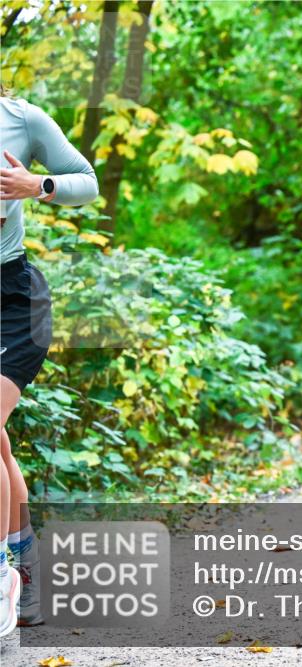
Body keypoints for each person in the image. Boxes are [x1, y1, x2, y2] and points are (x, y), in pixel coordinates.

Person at [0, 89, 98, 635]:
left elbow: (87, 182)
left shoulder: (19, 118)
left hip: (13, 299)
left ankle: (0, 579)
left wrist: (36, 185)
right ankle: (24, 569)